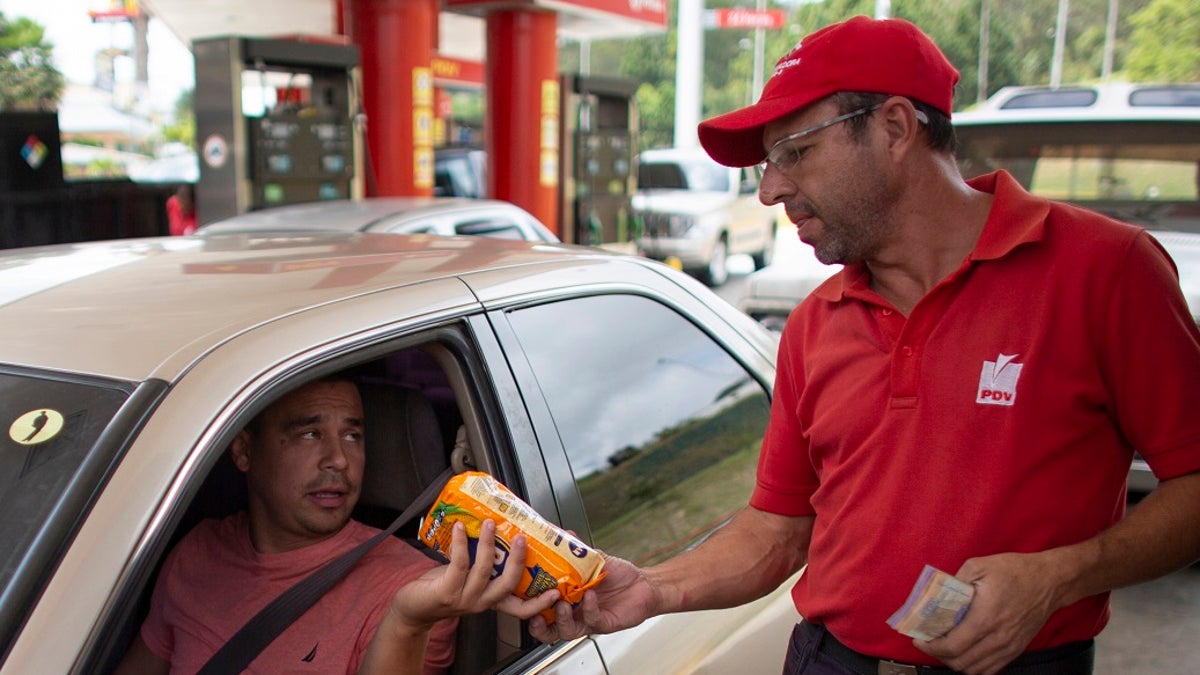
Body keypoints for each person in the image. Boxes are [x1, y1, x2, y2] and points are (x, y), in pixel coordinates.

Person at [530, 15, 1200, 675]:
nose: (770, 190)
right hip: (829, 660)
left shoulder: (1106, 270)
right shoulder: (814, 323)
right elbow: (778, 527)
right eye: (768, 164)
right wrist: (654, 588)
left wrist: (1059, 576)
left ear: (895, 128)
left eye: (794, 152)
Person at [116, 377, 558, 674]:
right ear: (244, 452)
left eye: (353, 436)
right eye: (310, 434)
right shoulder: (197, 553)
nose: (339, 460)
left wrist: (406, 622)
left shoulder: (414, 589)